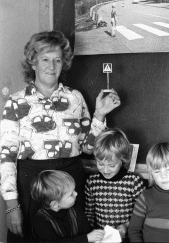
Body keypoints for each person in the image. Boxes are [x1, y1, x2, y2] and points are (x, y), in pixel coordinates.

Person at [0, 30, 121, 242]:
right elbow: (6, 157)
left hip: (70, 184)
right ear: (33, 63)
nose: (51, 65)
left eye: (57, 60)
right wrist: (11, 206)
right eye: (45, 59)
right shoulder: (16, 102)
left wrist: (100, 114)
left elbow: (87, 148)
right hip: (32, 185)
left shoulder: (75, 98)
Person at [85, 128, 146, 242]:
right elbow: (89, 212)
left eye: (112, 165)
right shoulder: (92, 182)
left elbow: (143, 212)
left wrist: (127, 225)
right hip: (102, 239)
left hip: (128, 237)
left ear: (122, 160)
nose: (106, 170)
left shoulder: (133, 181)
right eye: (101, 163)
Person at [30, 170, 105, 242]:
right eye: (71, 194)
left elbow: (85, 230)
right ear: (55, 204)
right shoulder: (40, 221)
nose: (76, 194)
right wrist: (86, 238)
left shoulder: (74, 207)